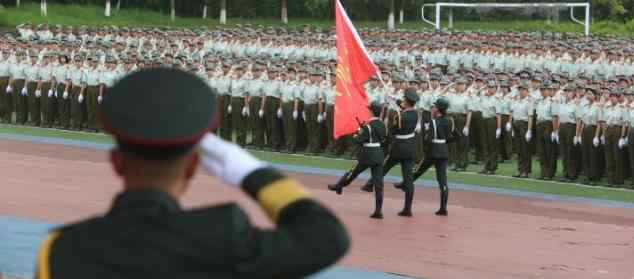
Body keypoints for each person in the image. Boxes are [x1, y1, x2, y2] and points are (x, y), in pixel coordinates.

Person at [34, 67, 349, 279]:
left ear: (116, 162)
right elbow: (325, 238)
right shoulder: (222, 237)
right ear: (194, 166)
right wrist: (250, 172)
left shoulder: (61, 250)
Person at [362, 88, 420, 217]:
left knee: (383, 168)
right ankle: (407, 209)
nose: (403, 100)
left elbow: (393, 131)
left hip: (399, 147)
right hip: (410, 147)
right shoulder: (416, 113)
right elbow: (404, 107)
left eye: (404, 99)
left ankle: (370, 184)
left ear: (407, 101)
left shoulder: (399, 115)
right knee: (408, 179)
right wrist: (394, 99)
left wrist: (397, 111)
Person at [396, 97, 457, 216]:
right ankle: (443, 208)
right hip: (443, 151)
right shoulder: (450, 120)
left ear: (438, 109)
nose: (432, 108)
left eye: (434, 107)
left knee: (417, 170)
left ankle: (405, 183)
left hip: (433, 151)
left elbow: (428, 139)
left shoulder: (433, 122)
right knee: (442, 181)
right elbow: (455, 136)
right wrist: (444, 141)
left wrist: (427, 148)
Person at [327, 103, 385, 219]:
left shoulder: (368, 126)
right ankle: (378, 211)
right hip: (378, 154)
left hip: (367, 154)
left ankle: (339, 185)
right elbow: (384, 137)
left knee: (353, 173)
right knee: (379, 184)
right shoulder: (382, 125)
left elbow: (357, 140)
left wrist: (359, 131)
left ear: (372, 112)